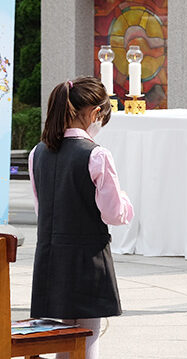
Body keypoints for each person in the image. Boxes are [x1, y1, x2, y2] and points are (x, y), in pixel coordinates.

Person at [28, 76, 134, 359]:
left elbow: (43, 210)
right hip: (88, 258)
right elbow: (113, 213)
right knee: (87, 337)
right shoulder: (97, 155)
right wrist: (126, 201)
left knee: (65, 335)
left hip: (51, 258)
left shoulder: (37, 152)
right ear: (96, 113)